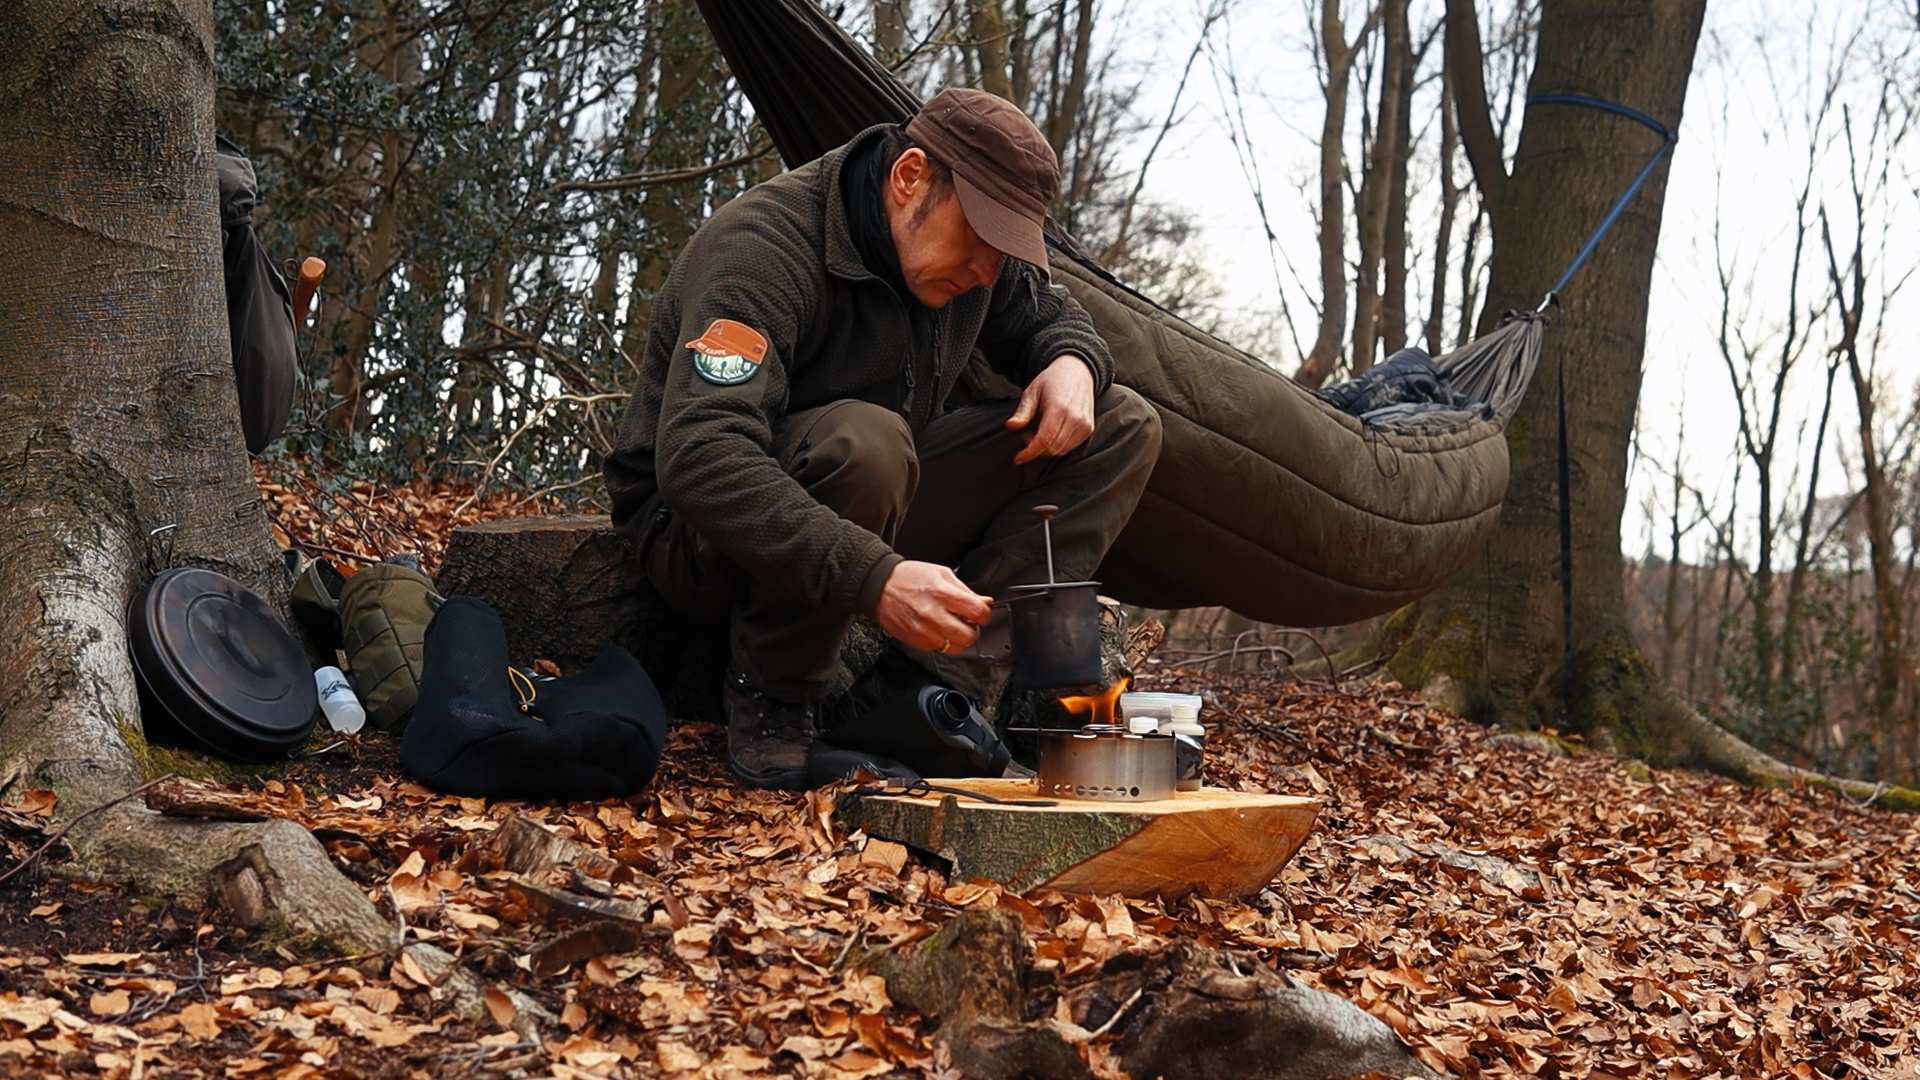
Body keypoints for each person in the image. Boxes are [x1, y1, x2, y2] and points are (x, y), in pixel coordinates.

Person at [603, 88, 1162, 790]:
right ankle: (777, 694)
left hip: (872, 493)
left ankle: (923, 693)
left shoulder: (968, 259)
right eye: (984, 240)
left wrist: (1072, 363)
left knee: (1123, 425)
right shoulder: (762, 249)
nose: (991, 271)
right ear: (909, 179)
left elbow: (1053, 313)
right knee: (866, 443)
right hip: (697, 531)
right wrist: (876, 577)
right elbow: (700, 457)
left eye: (1008, 249)